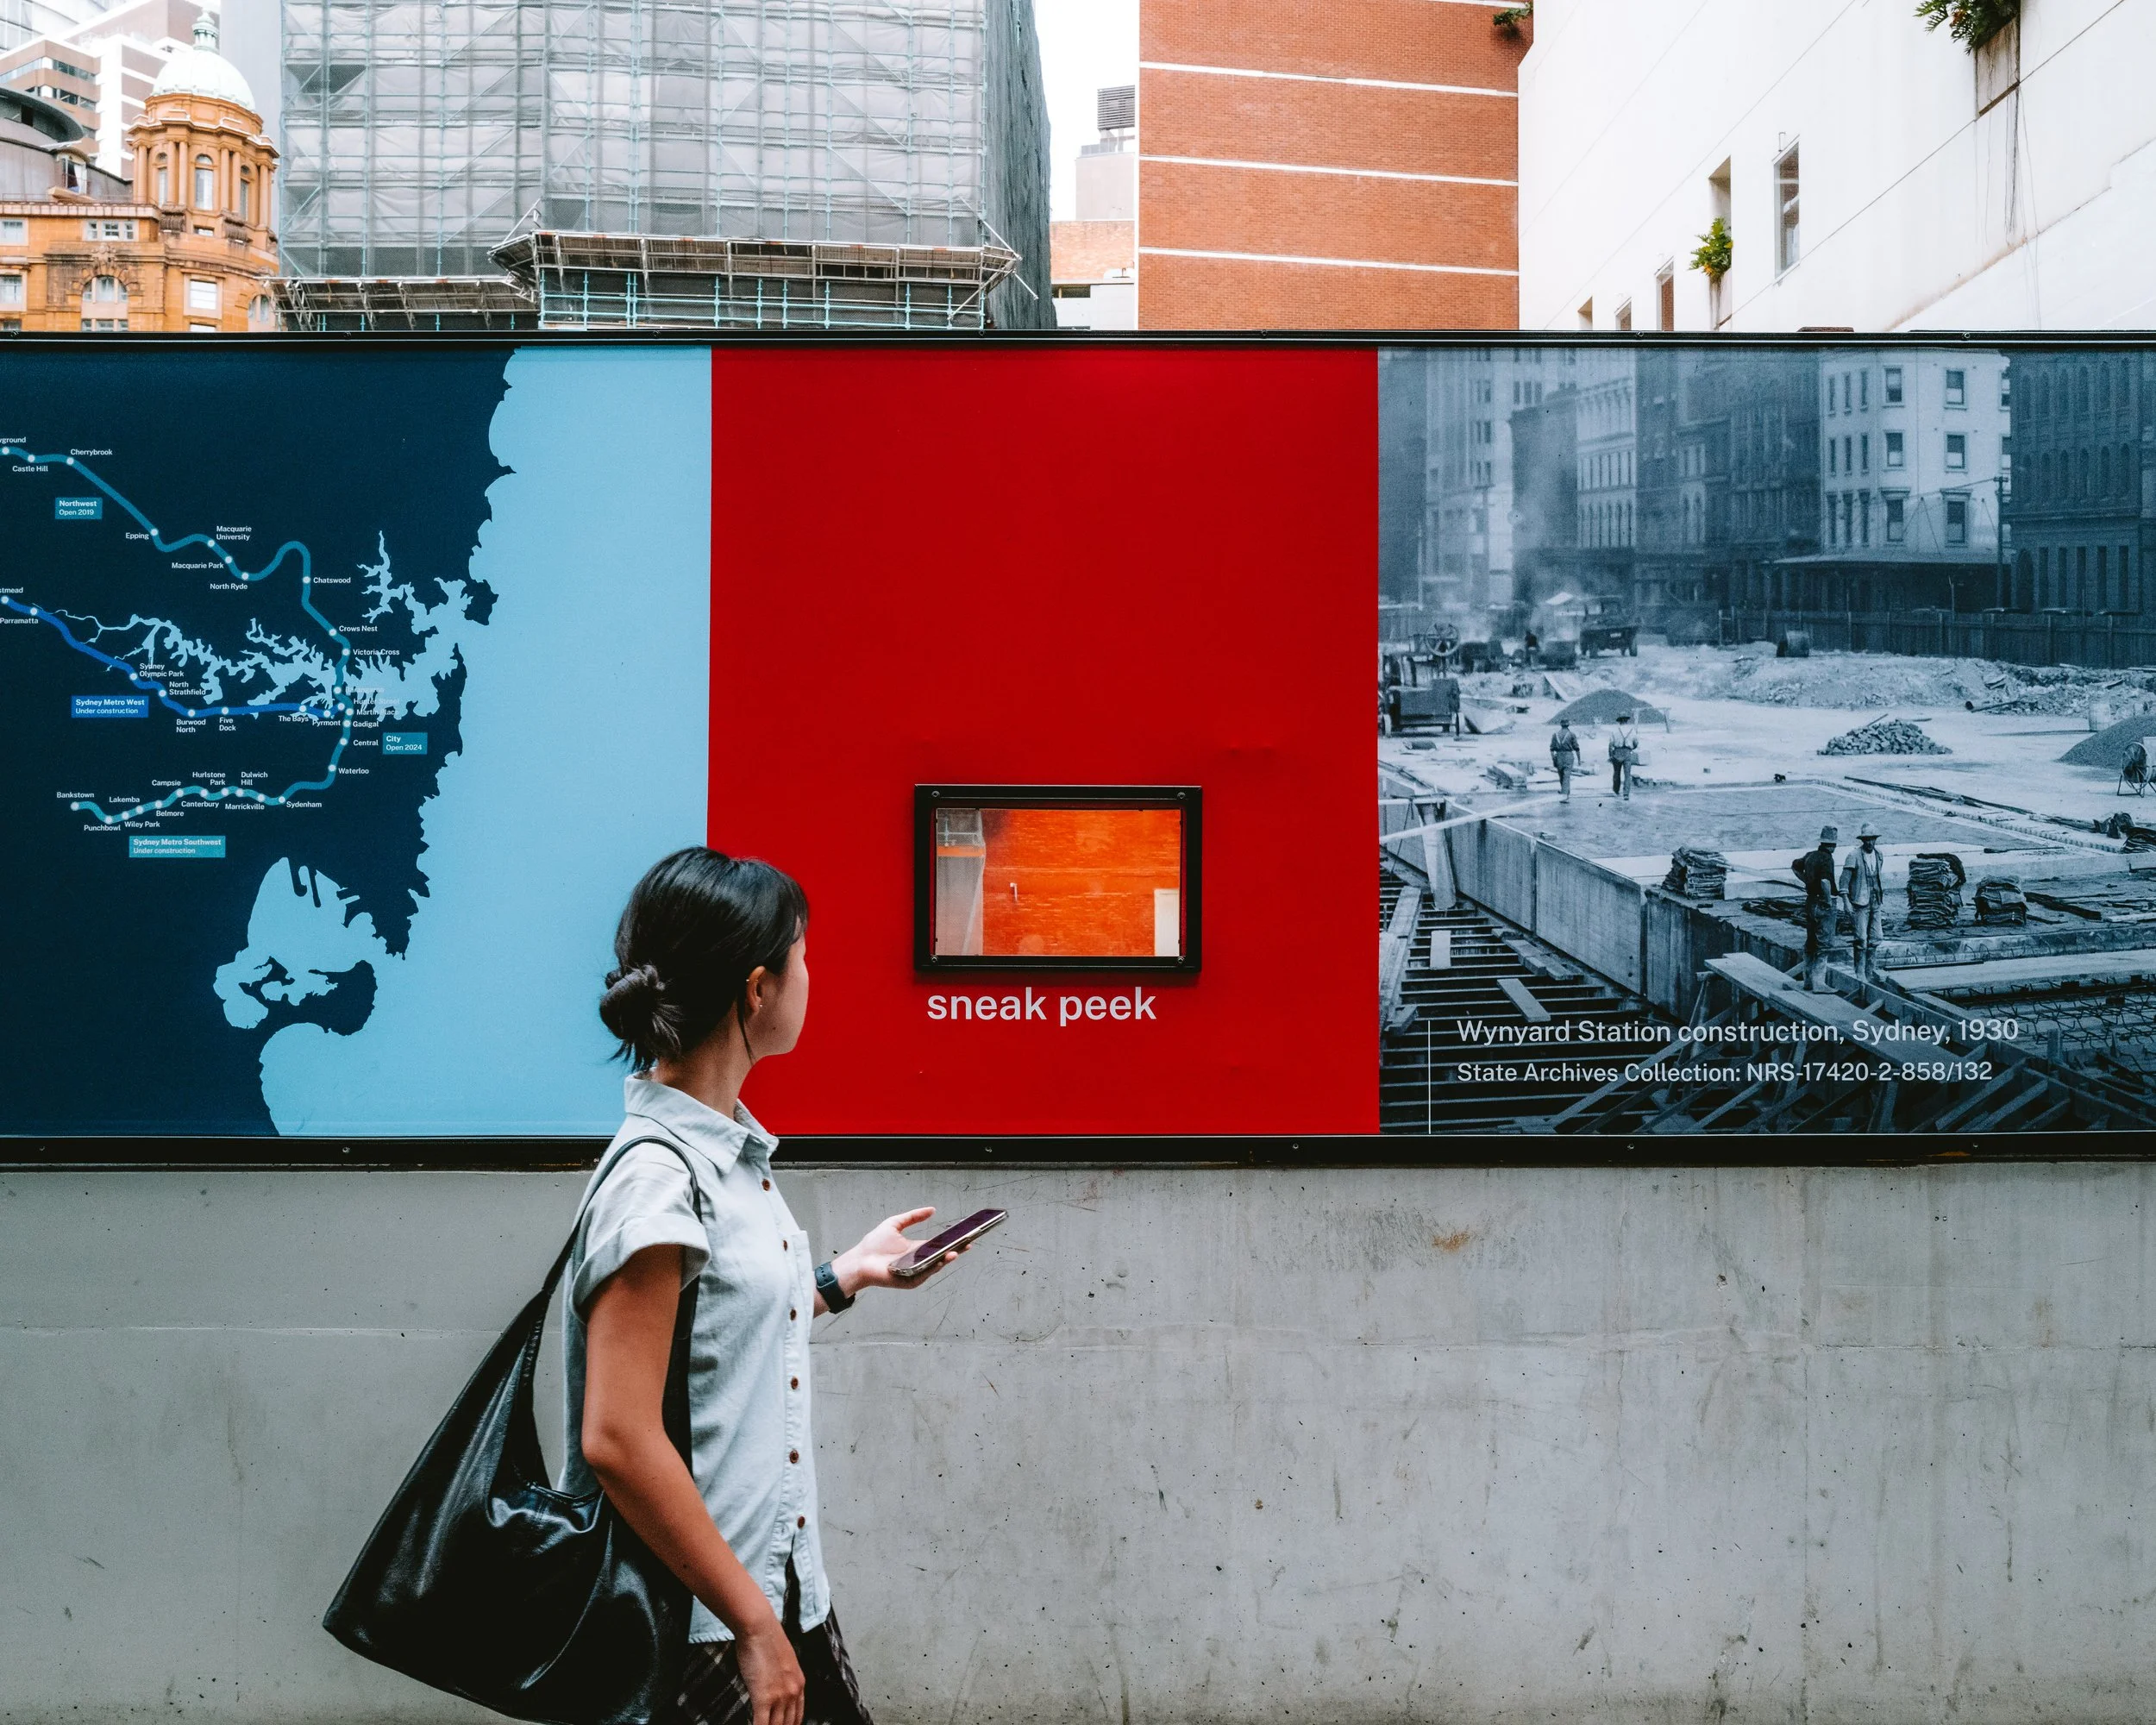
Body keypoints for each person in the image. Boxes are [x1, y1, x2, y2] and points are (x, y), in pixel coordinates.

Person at [567, 847, 962, 1725]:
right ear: (757, 989)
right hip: (701, 1622)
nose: (810, 975)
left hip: (769, 1591)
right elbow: (618, 1433)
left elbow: (710, 1333)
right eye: (804, 954)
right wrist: (751, 1624)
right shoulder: (659, 1181)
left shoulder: (725, 1154)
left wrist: (842, 1275)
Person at [1791, 825, 1845, 992]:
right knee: (1824, 945)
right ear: (1833, 844)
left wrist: (1807, 880)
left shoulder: (1811, 855)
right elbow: (1825, 882)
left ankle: (1808, 981)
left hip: (1811, 902)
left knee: (1811, 942)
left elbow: (1795, 866)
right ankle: (1819, 984)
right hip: (1823, 902)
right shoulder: (1827, 858)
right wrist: (1828, 900)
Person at [1839, 819, 1886, 977]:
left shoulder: (1879, 855)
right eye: (1867, 839)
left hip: (1875, 901)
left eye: (1872, 839)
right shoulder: (1854, 855)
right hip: (1860, 902)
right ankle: (1860, 974)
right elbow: (1844, 880)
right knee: (1861, 939)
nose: (1870, 842)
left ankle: (1870, 972)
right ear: (1863, 840)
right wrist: (1846, 902)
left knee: (1876, 937)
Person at [1608, 712, 1640, 800]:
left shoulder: (1614, 731)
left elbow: (1611, 744)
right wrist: (1632, 748)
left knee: (1616, 773)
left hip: (1617, 752)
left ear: (1619, 721)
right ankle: (1626, 794)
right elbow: (1636, 743)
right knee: (1627, 774)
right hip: (1627, 752)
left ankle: (1616, 791)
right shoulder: (1632, 730)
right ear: (1626, 720)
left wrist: (1611, 755)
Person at [1550, 718, 1581, 800]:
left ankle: (1564, 790)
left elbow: (1552, 749)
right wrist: (1579, 759)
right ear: (1568, 725)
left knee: (1561, 774)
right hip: (1568, 755)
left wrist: (1553, 759)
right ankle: (1565, 793)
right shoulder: (1571, 734)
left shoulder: (1555, 735)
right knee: (1567, 775)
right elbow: (1577, 748)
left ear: (1561, 725)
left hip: (1558, 755)